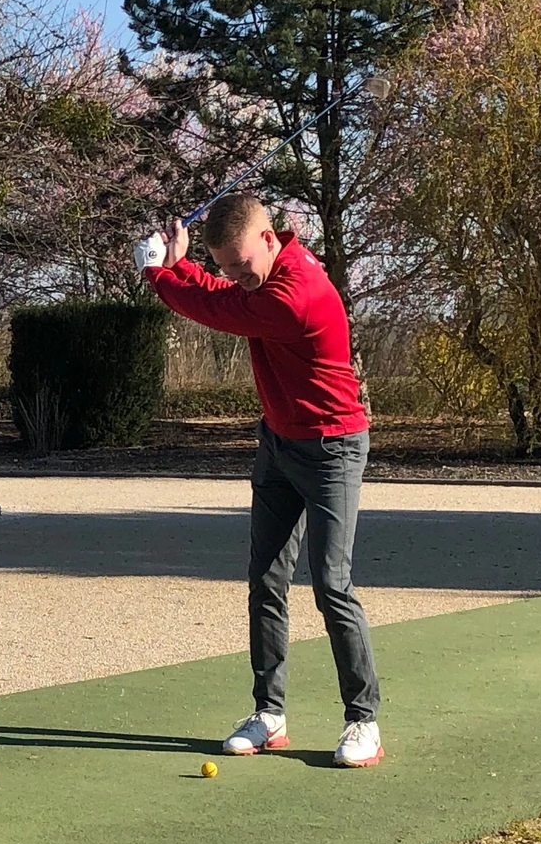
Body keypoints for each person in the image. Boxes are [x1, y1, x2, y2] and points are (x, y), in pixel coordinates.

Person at [135, 195, 384, 768]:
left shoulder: (298, 297)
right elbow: (225, 294)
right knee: (265, 580)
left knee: (331, 585)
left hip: (332, 447)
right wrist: (183, 266)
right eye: (225, 266)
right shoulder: (266, 277)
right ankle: (269, 714)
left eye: (242, 264)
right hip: (278, 442)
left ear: (271, 239)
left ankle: (363, 719)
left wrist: (159, 271)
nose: (235, 275)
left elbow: (217, 309)